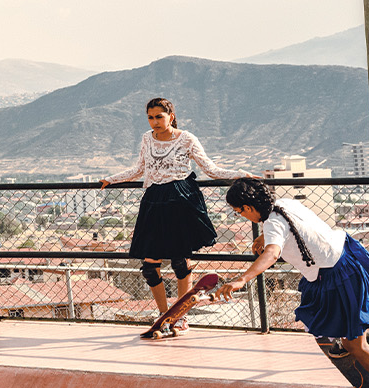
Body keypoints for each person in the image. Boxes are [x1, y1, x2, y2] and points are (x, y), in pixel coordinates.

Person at [214, 178, 369, 388]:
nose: (241, 216)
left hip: (338, 275)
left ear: (247, 207)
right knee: (322, 314)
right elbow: (292, 231)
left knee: (357, 346)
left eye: (239, 212)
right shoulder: (283, 204)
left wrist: (242, 278)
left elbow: (272, 253)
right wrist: (265, 236)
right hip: (346, 257)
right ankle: (347, 337)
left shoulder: (273, 224)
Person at [99, 97, 255, 329]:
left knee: (181, 262)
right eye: (150, 117)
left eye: (159, 117)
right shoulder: (146, 138)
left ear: (171, 116)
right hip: (154, 202)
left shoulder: (187, 139)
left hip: (181, 201)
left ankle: (181, 315)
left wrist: (241, 174)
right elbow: (140, 168)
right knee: (150, 267)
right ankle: (164, 315)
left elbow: (210, 169)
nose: (154, 122)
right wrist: (111, 180)